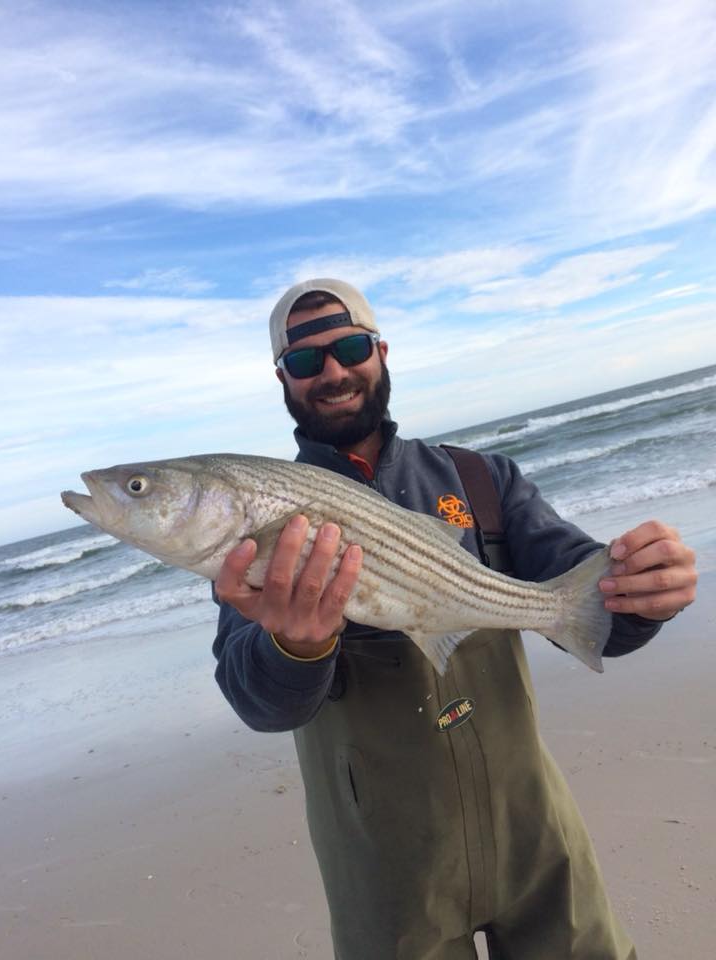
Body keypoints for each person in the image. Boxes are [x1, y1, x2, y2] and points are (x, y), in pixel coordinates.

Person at [212, 279, 697, 960]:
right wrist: (295, 646)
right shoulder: (256, 529)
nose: (332, 371)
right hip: (385, 870)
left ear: (380, 350)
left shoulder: (480, 481)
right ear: (282, 378)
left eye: (350, 347)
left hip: (535, 835)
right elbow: (255, 699)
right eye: (304, 360)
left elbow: (590, 610)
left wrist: (642, 590)